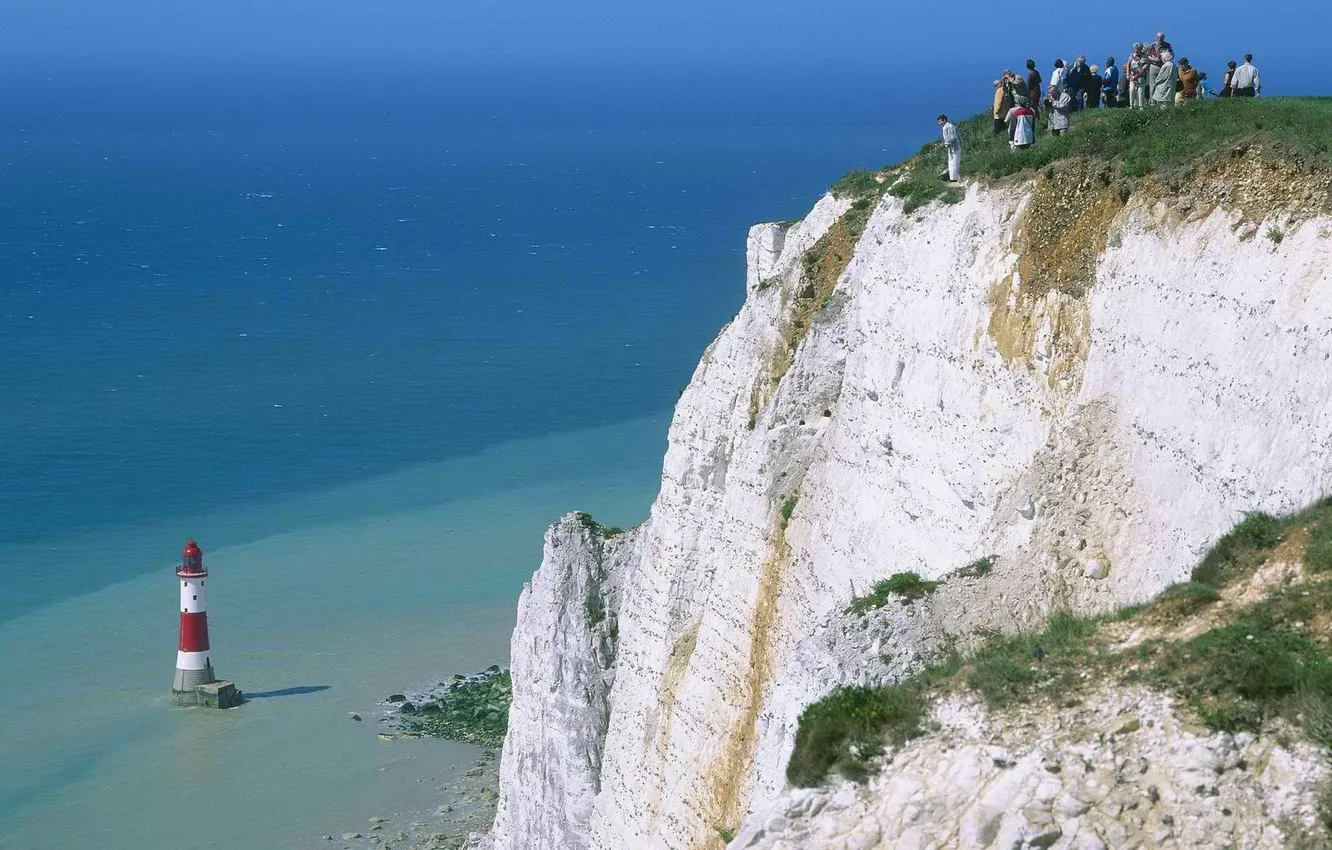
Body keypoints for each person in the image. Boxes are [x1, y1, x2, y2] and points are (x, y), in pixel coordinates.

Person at [938, 115, 961, 182]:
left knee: (955, 163)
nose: (939, 123)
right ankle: (952, 179)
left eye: (940, 121)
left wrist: (946, 143)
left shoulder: (950, 126)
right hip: (950, 149)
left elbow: (953, 137)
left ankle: (954, 179)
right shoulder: (945, 127)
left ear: (944, 120)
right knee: (951, 163)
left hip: (955, 147)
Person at [1127, 44, 1148, 108]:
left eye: (1137, 49)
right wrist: (1127, 74)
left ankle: (1141, 105)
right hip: (1132, 75)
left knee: (1140, 91)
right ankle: (1131, 105)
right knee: (1131, 90)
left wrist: (1136, 76)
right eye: (1135, 49)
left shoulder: (1144, 56)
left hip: (1141, 76)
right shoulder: (1131, 55)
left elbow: (1142, 68)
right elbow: (1128, 64)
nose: (1136, 50)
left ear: (1141, 49)